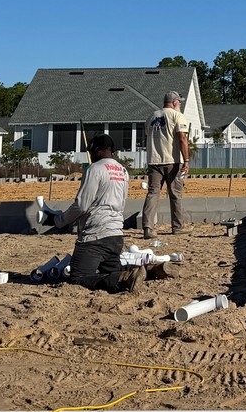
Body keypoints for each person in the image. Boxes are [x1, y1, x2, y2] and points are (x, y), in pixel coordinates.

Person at [56, 134, 143, 293]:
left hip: (94, 237)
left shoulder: (95, 169)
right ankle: (151, 271)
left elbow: (81, 205)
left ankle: (122, 278)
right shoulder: (123, 171)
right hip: (115, 236)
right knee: (110, 274)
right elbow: (122, 203)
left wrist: (60, 220)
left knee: (78, 278)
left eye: (92, 153)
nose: (91, 157)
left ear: (98, 150)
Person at [143, 90, 191, 238]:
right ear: (174, 102)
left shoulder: (151, 117)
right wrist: (187, 160)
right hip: (173, 160)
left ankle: (148, 228)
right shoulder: (177, 116)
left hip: (154, 160)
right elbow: (182, 137)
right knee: (175, 194)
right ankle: (178, 226)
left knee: (153, 193)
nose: (180, 104)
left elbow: (147, 135)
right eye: (179, 102)